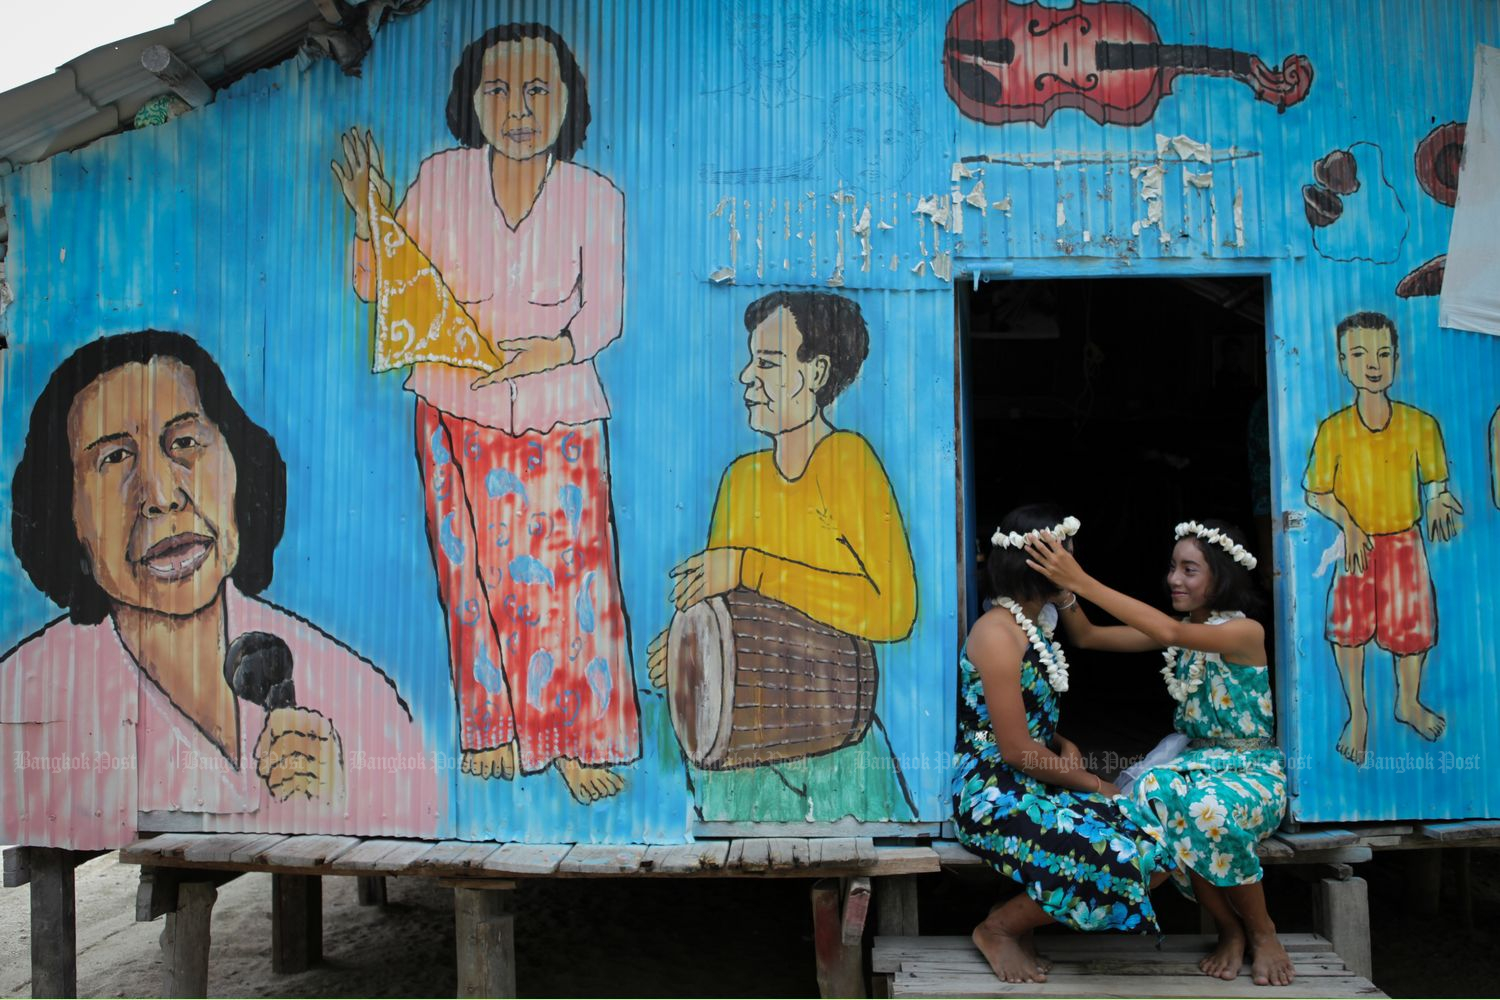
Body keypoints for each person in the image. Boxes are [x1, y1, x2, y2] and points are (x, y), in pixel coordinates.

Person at [331, 22, 640, 802]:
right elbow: (385, 286)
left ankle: (580, 741)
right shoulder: (439, 179)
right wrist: (368, 212)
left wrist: (551, 350)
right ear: (470, 101)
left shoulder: (594, 196)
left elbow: (603, 313)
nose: (518, 107)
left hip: (557, 413)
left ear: (568, 101)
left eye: (538, 89)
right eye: (497, 89)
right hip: (451, 406)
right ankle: (493, 730)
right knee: (468, 577)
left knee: (573, 582)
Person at [2, 331, 437, 849]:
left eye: (185, 443)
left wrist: (347, 798)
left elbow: (422, 808)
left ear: (239, 463)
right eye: (115, 458)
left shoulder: (355, 694)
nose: (160, 496)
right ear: (64, 511)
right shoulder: (24, 700)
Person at [647, 290, 918, 821]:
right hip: (741, 746)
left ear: (815, 373)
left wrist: (751, 567)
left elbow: (894, 612)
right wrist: (680, 647)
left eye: (767, 362)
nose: (747, 377)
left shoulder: (849, 463)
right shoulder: (740, 480)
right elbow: (723, 614)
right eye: (751, 360)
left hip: (834, 742)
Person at [1027, 519, 1294, 986]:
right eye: (1172, 567)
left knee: (1204, 808)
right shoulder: (1182, 631)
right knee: (1154, 793)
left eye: (1189, 570)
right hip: (1198, 762)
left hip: (1251, 770)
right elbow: (1089, 637)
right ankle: (1230, 929)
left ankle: (1263, 930)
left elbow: (1168, 631)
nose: (1174, 579)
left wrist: (1082, 580)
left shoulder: (1243, 632)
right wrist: (1067, 595)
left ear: (1222, 575)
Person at [955, 505, 1176, 985]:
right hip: (994, 788)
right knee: (1113, 854)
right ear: (1038, 565)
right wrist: (1094, 783)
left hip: (1041, 774)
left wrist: (1180, 638)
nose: (1073, 569)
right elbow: (1013, 750)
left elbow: (1088, 637)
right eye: (1065, 560)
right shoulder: (997, 632)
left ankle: (1017, 916)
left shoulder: (1044, 620)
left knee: (1159, 850)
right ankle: (997, 929)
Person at [1303, 311, 1462, 765]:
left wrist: (1437, 500)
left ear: (1396, 359)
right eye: (1359, 353)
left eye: (1383, 353)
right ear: (1341, 362)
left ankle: (1407, 702)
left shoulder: (1420, 425)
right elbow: (1316, 493)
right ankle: (1357, 714)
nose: (1372, 364)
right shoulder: (1333, 429)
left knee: (1413, 628)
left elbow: (1435, 482)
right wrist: (1350, 526)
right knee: (1347, 629)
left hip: (1404, 541)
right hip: (1357, 544)